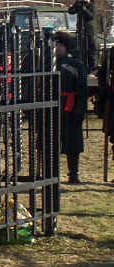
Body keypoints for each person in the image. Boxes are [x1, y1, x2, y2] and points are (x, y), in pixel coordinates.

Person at [53, 32, 87, 183]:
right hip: (51, 108)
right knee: (50, 142)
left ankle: (73, 174)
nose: (58, 48)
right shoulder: (45, 63)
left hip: (69, 107)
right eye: (56, 45)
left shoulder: (75, 65)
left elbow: (82, 91)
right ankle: (50, 174)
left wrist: (79, 111)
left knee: (72, 142)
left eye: (61, 45)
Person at [68, 0, 100, 69]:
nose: (85, 1)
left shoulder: (92, 6)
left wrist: (85, 10)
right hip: (81, 31)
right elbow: (70, 11)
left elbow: (92, 16)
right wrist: (76, 4)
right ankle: (83, 67)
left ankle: (92, 68)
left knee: (92, 51)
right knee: (82, 51)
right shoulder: (79, 5)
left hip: (90, 31)